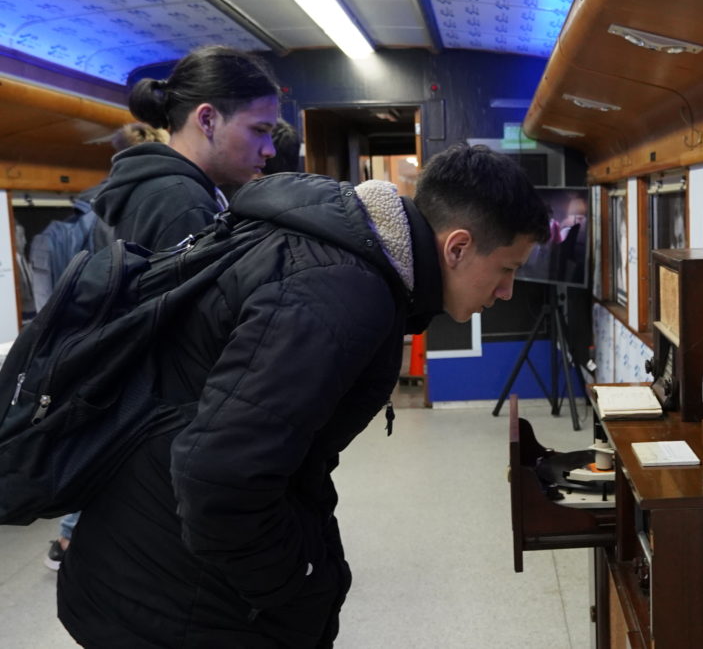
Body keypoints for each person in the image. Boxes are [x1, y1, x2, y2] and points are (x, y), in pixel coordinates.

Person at [57, 143, 550, 648]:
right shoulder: (341, 293)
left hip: (150, 557)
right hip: (174, 596)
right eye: (508, 269)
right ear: (458, 247)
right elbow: (218, 477)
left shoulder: (341, 251)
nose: (507, 291)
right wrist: (296, 587)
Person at [41, 122, 170, 572]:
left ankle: (72, 535)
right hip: (136, 338)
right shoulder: (165, 199)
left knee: (101, 433)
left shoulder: (99, 206)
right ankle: (72, 535)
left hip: (101, 338)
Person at [93, 45, 280, 252]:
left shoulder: (160, 188)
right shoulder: (184, 204)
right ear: (207, 120)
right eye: (259, 130)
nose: (269, 150)